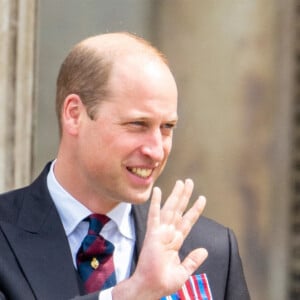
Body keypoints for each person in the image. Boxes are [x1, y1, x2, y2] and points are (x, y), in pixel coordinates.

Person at [0, 32, 250, 300]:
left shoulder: (210, 249)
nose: (155, 150)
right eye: (137, 125)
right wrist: (129, 295)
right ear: (74, 114)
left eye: (167, 127)